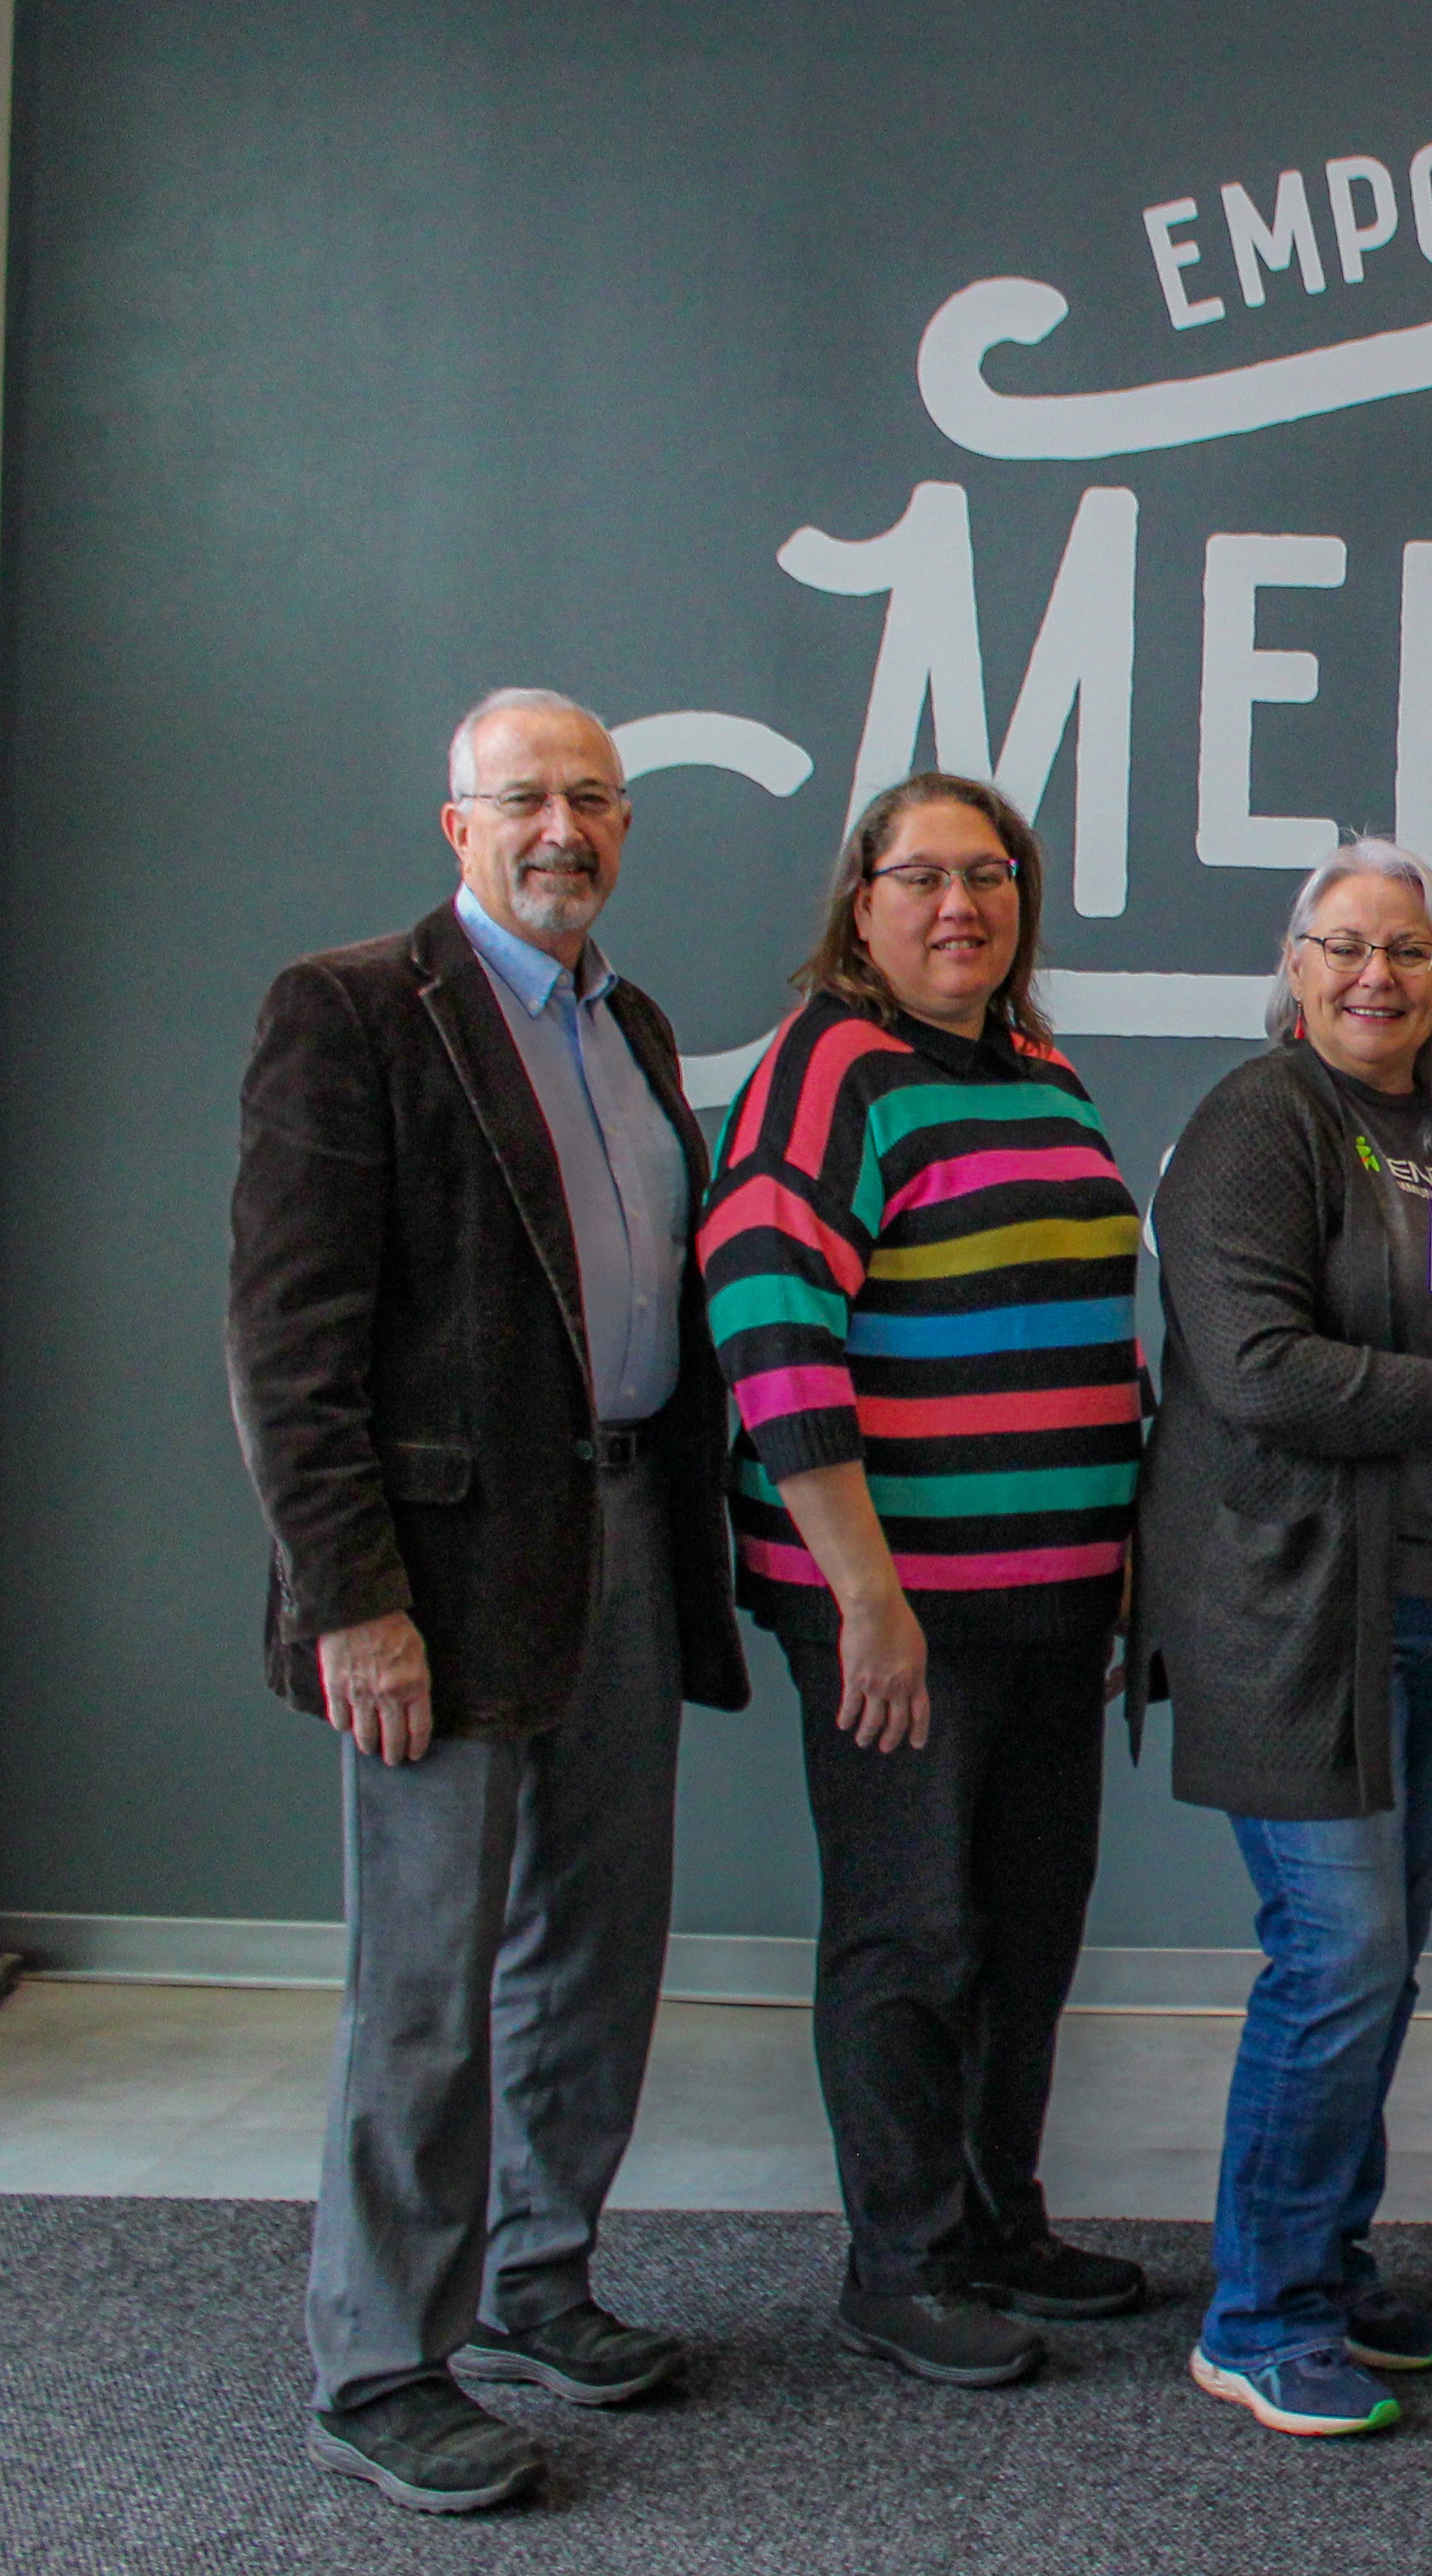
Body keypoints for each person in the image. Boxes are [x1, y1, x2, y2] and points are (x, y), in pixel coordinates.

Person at [228, 688, 748, 2514]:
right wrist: (346, 1600)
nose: (562, 828)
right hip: (433, 1586)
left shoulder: (635, 1023)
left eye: (592, 798)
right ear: (456, 825)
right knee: (427, 1985)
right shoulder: (353, 1010)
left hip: (618, 1541)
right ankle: (381, 2362)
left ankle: (539, 2280)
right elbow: (288, 1350)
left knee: (597, 1951)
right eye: (523, 797)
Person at [1135, 838, 1432, 2441]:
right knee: (1335, 1954)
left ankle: (1327, 2261)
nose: (1374, 976)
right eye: (1342, 946)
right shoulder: (1253, 1127)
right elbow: (1261, 1367)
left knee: (1382, 1962)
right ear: (1294, 965)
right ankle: (1257, 2309)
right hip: (1291, 1611)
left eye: (1406, 951)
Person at [699, 773, 1147, 2390]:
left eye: (991, 874)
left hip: (1049, 1590)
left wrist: (1116, 1561)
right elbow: (767, 1328)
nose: (960, 904)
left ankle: (998, 2221)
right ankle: (899, 2264)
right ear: (861, 902)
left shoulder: (1037, 1066)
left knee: (1028, 1925)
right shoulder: (829, 1072)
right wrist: (863, 1593)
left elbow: (1085, 1326)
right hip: (891, 1600)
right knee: (910, 1927)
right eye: (922, 877)